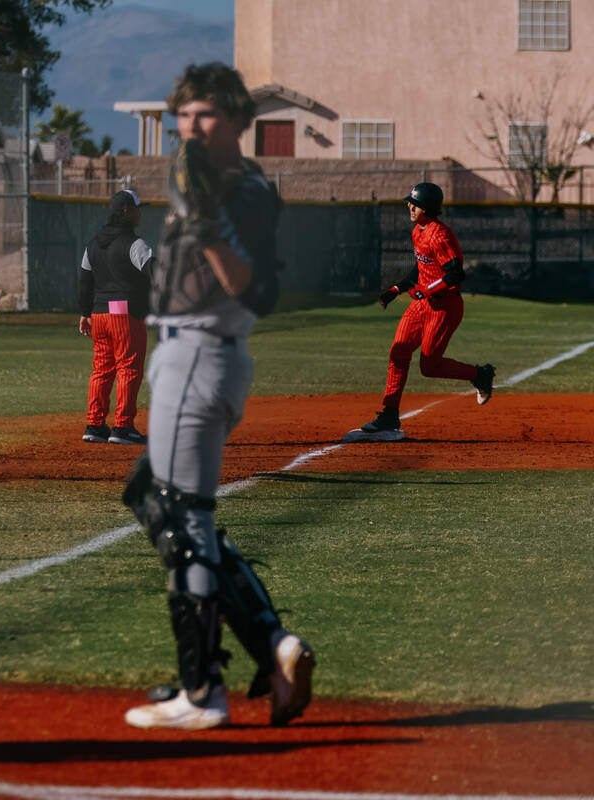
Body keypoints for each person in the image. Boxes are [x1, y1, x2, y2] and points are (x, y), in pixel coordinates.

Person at [121, 62, 314, 731]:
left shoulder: (245, 191)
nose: (191, 126)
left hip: (201, 351)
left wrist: (205, 224)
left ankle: (201, 692)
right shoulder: (202, 178)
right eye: (184, 113)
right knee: (150, 495)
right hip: (192, 354)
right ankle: (272, 645)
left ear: (237, 121)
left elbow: (254, 290)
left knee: (182, 517)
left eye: (206, 114)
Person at [346, 182, 495, 442]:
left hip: (444, 306)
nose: (409, 207)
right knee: (398, 351)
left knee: (430, 365)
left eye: (414, 204)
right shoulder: (418, 231)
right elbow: (420, 267)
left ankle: (480, 374)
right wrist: (396, 288)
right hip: (422, 305)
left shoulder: (440, 235)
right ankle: (389, 414)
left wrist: (425, 291)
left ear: (426, 208)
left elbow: (456, 273)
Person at [78, 189, 154, 446]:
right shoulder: (135, 243)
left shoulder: (93, 243)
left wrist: (84, 313)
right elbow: (156, 274)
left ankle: (95, 425)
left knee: (101, 368)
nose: (140, 212)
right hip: (124, 313)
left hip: (98, 313)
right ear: (126, 212)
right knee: (129, 367)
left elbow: (84, 281)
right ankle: (123, 427)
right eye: (137, 208)